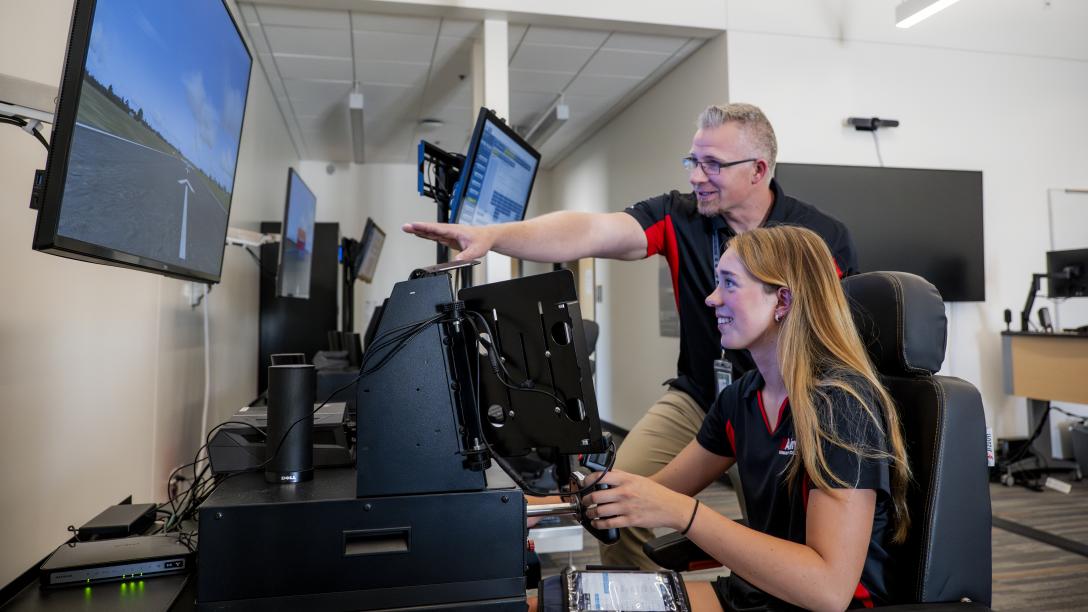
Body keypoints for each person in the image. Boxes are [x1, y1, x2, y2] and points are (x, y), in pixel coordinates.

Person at [403, 103, 859, 568]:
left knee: (784, 537)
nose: (697, 176)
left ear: (758, 170)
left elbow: (837, 338)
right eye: (692, 162)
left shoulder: (819, 238)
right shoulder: (680, 216)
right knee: (613, 504)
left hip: (792, 403)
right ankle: (641, 596)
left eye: (713, 165)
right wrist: (496, 236)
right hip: (705, 395)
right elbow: (591, 230)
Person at [580, 225, 911, 610]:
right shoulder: (741, 397)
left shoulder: (841, 406)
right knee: (565, 602)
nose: (711, 298)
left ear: (782, 300)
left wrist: (682, 513)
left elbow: (828, 590)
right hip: (757, 594)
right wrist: (547, 505)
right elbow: (659, 489)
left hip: (817, 604)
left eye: (729, 284)